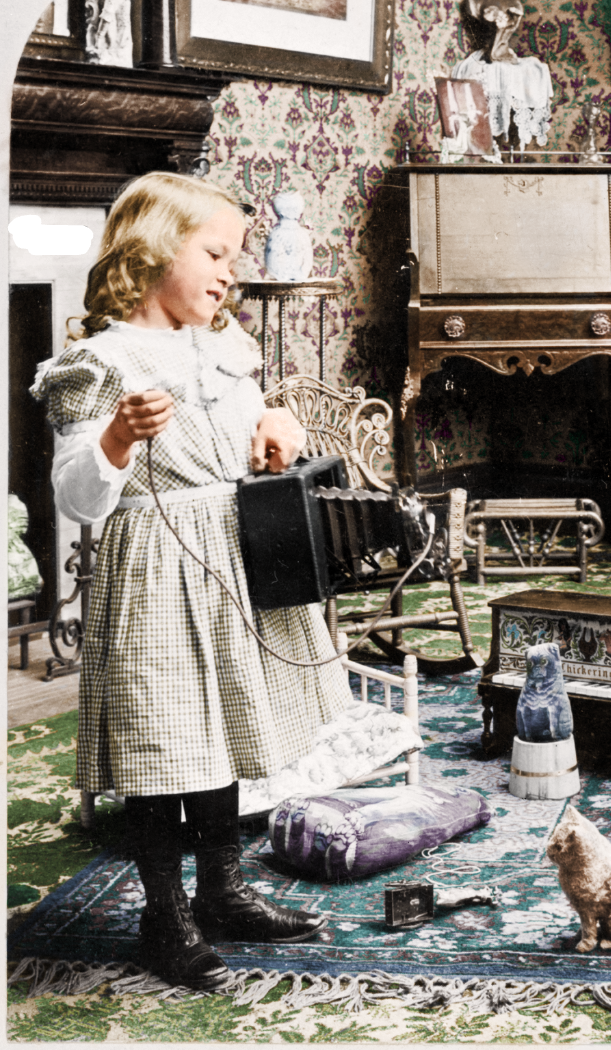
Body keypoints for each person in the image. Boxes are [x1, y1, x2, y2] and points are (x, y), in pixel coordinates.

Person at [31, 172, 353, 991]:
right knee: (163, 737)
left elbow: (251, 434)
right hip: (155, 560)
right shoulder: (97, 362)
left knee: (217, 729)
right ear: (150, 250)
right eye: (213, 253)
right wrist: (114, 437)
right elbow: (76, 495)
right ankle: (163, 916)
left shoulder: (224, 348)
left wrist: (277, 424)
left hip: (232, 550)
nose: (227, 274)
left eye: (234, 258)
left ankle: (223, 889)